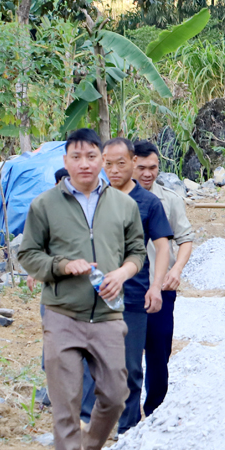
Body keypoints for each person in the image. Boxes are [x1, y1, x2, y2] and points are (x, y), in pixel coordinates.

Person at [18, 128, 146, 450]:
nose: (85, 164)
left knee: (116, 393)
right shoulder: (44, 205)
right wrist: (61, 265)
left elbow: (137, 251)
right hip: (62, 315)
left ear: (101, 160)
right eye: (76, 157)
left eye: (92, 156)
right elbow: (28, 255)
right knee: (66, 399)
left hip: (107, 314)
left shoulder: (125, 206)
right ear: (66, 162)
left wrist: (121, 275)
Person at [79, 138, 172, 434]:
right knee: (90, 363)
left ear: (133, 162)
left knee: (130, 366)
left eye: (122, 163)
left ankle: (127, 428)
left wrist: (156, 286)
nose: (115, 169)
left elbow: (162, 246)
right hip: (91, 296)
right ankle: (88, 424)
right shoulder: (91, 198)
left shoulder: (148, 203)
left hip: (132, 296)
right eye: (109, 163)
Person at [133, 140, 196, 418]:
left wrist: (176, 270)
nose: (148, 173)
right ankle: (126, 414)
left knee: (159, 351)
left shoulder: (169, 199)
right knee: (127, 352)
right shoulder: (114, 199)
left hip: (161, 288)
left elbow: (185, 239)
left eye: (153, 168)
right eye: (142, 167)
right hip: (129, 288)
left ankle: (155, 409)